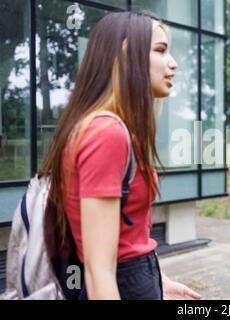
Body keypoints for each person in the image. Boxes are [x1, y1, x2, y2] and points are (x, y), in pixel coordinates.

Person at [39, 12, 201, 300]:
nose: (173, 63)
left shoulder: (115, 129)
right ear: (126, 57)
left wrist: (158, 281)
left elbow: (125, 237)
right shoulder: (107, 133)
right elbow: (99, 270)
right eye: (161, 50)